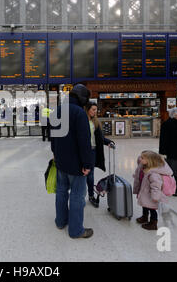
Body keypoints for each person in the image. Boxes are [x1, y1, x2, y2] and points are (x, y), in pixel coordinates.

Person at [51, 84, 93, 239]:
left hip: (61, 160)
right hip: (76, 164)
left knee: (61, 191)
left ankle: (60, 221)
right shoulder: (79, 113)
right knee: (77, 195)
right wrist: (87, 164)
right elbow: (84, 141)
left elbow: (53, 136)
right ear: (82, 98)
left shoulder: (58, 110)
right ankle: (76, 231)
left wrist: (55, 153)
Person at [84, 102, 115, 208]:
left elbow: (99, 137)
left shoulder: (95, 122)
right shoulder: (81, 121)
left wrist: (108, 142)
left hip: (92, 151)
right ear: (87, 109)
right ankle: (80, 196)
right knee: (82, 175)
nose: (95, 111)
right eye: (93, 109)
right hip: (83, 151)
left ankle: (91, 195)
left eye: (96, 109)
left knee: (90, 175)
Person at [132, 151, 172, 231]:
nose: (140, 158)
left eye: (143, 158)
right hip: (144, 191)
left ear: (149, 160)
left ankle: (153, 223)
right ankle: (145, 216)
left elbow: (156, 186)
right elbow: (139, 174)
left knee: (152, 208)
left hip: (151, 195)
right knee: (145, 205)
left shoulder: (154, 174)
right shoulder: (144, 166)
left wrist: (155, 196)